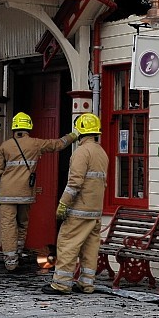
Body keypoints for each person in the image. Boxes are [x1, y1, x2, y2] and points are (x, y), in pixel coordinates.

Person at [0, 112, 78, 274]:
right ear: (28, 127)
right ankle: (18, 252)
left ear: (14, 128)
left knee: (8, 226)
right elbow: (58, 144)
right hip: (25, 193)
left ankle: (11, 262)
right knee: (22, 224)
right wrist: (73, 135)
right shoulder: (35, 144)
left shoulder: (5, 146)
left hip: (6, 194)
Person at [43, 113, 109, 294]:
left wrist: (63, 204)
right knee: (90, 248)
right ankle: (86, 283)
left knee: (67, 244)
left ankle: (61, 284)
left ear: (79, 130)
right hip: (95, 210)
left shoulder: (81, 152)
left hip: (79, 209)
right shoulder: (101, 152)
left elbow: (75, 183)